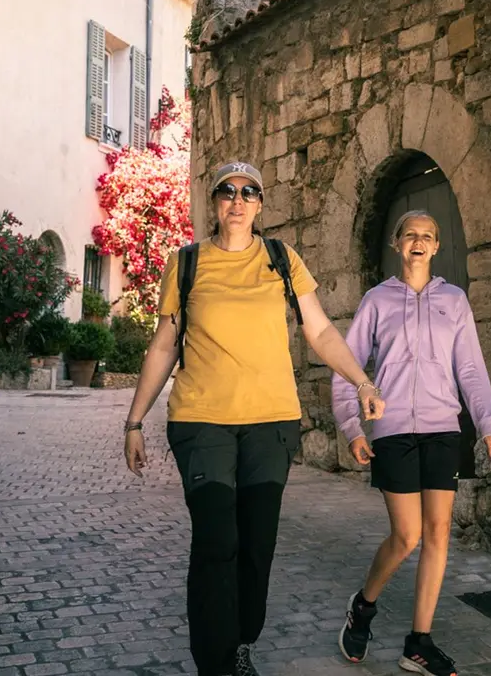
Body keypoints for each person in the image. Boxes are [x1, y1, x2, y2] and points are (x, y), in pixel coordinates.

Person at [122, 162, 385, 676]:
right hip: (201, 422)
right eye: (226, 191)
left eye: (249, 192)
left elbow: (322, 332)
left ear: (260, 205)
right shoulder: (188, 263)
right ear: (213, 202)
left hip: (271, 423)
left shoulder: (282, 259)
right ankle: (215, 665)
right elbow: (163, 345)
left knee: (256, 545)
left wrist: (363, 381)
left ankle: (242, 641)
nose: (237, 200)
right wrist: (134, 421)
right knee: (217, 541)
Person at [332, 211, 491, 675]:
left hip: (443, 429)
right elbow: (346, 368)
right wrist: (352, 427)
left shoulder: (454, 300)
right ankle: (364, 605)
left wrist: (487, 423)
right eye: (411, 235)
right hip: (393, 431)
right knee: (407, 536)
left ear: (436, 246)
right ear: (397, 243)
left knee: (439, 532)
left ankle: (419, 644)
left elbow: (470, 369)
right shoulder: (376, 301)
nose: (419, 242)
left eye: (428, 236)